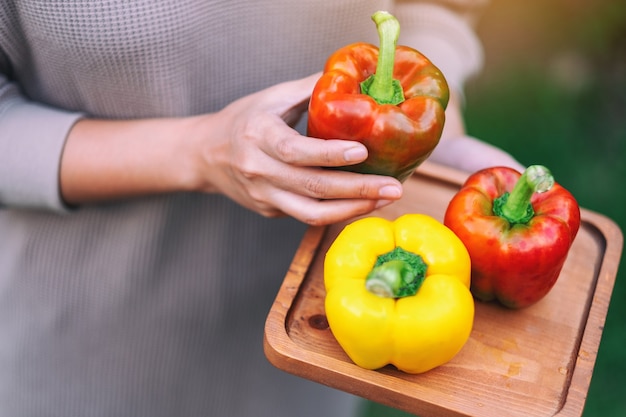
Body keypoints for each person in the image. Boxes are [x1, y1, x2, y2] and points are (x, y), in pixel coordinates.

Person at [0, 1, 522, 416]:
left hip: (324, 310)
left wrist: (433, 132)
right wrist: (201, 151)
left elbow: (442, 6)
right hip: (95, 333)